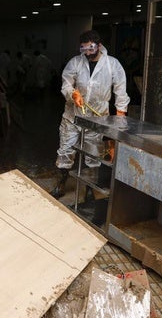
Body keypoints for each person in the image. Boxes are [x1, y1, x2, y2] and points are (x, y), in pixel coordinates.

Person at [51, 30, 130, 198]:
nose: (87, 53)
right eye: (83, 49)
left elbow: (121, 91)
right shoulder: (75, 63)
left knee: (93, 154)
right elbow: (65, 84)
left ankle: (89, 189)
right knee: (65, 149)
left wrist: (120, 116)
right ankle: (60, 184)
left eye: (90, 49)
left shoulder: (112, 64)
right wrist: (73, 94)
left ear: (99, 46)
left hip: (98, 117)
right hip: (73, 116)